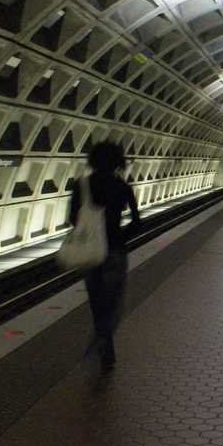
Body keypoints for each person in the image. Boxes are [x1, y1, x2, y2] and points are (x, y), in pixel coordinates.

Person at [69, 141, 140, 371]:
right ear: (118, 161)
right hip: (115, 251)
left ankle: (103, 342)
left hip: (91, 252)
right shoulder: (122, 186)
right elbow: (137, 222)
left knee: (97, 301)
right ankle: (103, 342)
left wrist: (90, 229)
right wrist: (119, 236)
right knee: (113, 302)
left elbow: (73, 219)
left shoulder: (81, 185)